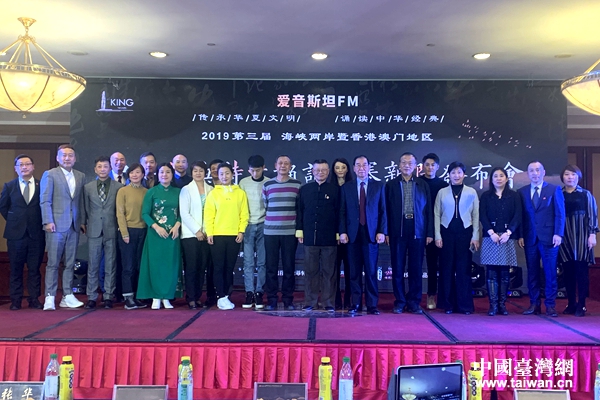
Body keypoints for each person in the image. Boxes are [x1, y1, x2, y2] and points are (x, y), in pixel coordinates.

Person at [385, 152, 433, 314]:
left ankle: (414, 302)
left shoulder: (422, 184)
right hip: (397, 230)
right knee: (397, 267)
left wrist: (429, 233)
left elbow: (428, 211)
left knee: (416, 268)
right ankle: (399, 301)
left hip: (417, 229)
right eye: (404, 162)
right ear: (399, 165)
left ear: (415, 166)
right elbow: (385, 211)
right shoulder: (391, 185)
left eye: (410, 163)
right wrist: (386, 232)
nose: (407, 165)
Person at [339, 155, 387, 315]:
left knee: (371, 271)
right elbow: (342, 212)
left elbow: (383, 211)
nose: (361, 168)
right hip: (352, 234)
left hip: (371, 234)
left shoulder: (378, 186)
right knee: (354, 272)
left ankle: (372, 304)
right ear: (353, 168)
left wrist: (382, 231)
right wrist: (342, 232)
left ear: (369, 167)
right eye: (358, 165)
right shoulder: (346, 187)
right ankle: (356, 303)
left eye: (364, 165)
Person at [40, 144, 86, 310]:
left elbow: (80, 201)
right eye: (64, 155)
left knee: (70, 263)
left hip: (74, 225)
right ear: (58, 158)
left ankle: (67, 295)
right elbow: (45, 200)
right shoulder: (50, 174)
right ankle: (50, 296)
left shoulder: (80, 176)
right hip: (56, 225)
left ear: (75, 158)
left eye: (70, 155)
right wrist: (47, 221)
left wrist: (82, 221)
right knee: (53, 263)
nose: (67, 158)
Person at [517, 161, 565, 317]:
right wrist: (521, 235)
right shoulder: (522, 192)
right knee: (532, 273)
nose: (535, 173)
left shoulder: (554, 189)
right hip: (530, 238)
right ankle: (534, 304)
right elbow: (521, 217)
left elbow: (560, 213)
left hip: (550, 238)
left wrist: (558, 233)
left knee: (550, 273)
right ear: (528, 174)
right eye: (531, 171)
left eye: (538, 170)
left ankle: (550, 305)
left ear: (543, 172)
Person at [0, 154, 45, 310]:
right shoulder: (9, 186)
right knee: (16, 268)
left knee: (34, 269)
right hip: (15, 235)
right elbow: (3, 207)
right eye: (21, 165)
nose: (24, 167)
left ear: (33, 167)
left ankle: (34, 299)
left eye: (27, 164)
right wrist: (15, 221)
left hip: (36, 234)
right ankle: (16, 300)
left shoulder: (41, 185)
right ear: (16, 168)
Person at [434, 161, 479, 315]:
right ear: (449, 175)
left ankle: (464, 305)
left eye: (459, 172)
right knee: (446, 269)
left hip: (465, 234)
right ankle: (447, 304)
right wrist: (437, 235)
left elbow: (476, 215)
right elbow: (436, 214)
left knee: (463, 269)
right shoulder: (442, 192)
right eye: (453, 172)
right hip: (446, 233)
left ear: (464, 174)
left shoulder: (471, 192)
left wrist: (475, 236)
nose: (456, 175)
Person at [204, 163, 249, 310]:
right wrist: (209, 232)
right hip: (217, 235)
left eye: (227, 173)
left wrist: (241, 231)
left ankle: (227, 295)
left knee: (229, 268)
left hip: (234, 236)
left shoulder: (240, 193)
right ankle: (220, 296)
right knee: (218, 267)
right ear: (217, 175)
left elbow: (244, 214)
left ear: (232, 174)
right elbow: (209, 215)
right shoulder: (213, 193)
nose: (224, 176)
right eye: (221, 174)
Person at [137, 163, 182, 309]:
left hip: (172, 235)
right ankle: (156, 297)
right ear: (158, 174)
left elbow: (183, 212)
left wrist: (177, 225)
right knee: (155, 265)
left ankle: (167, 296)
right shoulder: (151, 192)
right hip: (155, 235)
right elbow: (145, 213)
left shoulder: (179, 192)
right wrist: (156, 227)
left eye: (168, 172)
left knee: (170, 265)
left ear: (172, 174)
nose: (165, 175)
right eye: (162, 172)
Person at [80, 156, 123, 309]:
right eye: (100, 166)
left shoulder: (119, 187)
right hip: (94, 229)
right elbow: (84, 208)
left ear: (110, 168)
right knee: (93, 264)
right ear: (95, 169)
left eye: (105, 166)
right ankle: (91, 297)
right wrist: (83, 223)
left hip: (112, 229)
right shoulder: (88, 187)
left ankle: (108, 296)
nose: (103, 169)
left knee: (110, 264)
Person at [297, 160, 339, 312]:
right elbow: (299, 211)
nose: (320, 173)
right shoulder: (305, 189)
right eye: (317, 170)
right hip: (310, 237)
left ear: (328, 172)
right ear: (312, 171)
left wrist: (338, 233)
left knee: (329, 272)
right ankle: (310, 302)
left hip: (330, 238)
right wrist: (299, 231)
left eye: (323, 170)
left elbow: (339, 212)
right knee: (311, 272)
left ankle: (328, 303)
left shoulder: (335, 190)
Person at [479, 167, 522, 316]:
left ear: (507, 178)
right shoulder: (486, 196)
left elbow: (518, 215)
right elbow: (482, 215)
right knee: (491, 272)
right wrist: (491, 232)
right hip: (490, 237)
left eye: (501, 176)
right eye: (495, 176)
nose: (498, 178)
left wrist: (509, 232)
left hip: (506, 237)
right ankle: (493, 305)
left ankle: (502, 305)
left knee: (504, 273)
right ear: (491, 179)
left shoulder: (514, 196)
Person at [263, 155, 302, 311]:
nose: (283, 166)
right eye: (280, 163)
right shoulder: (267, 185)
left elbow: (299, 208)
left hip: (289, 232)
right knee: (271, 267)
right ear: (275, 165)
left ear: (290, 166)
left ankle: (288, 299)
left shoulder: (297, 185)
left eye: (286, 163)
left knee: (289, 267)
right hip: (270, 232)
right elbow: (265, 205)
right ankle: (271, 299)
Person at [558, 165, 598, 317]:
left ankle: (581, 304)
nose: (570, 177)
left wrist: (592, 234)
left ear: (578, 177)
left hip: (581, 235)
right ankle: (571, 303)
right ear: (562, 177)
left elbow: (592, 215)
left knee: (581, 271)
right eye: (567, 174)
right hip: (564, 235)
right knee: (567, 271)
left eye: (573, 174)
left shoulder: (585, 194)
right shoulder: (559, 194)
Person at [180, 161, 214, 309]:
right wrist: (197, 230)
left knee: (202, 267)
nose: (198, 173)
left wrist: (206, 231)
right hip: (190, 235)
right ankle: (191, 298)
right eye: (195, 171)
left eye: (201, 170)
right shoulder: (186, 190)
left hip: (206, 234)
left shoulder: (211, 189)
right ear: (191, 173)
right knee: (192, 267)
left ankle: (198, 296)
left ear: (205, 173)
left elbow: (212, 212)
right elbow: (184, 213)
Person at [115, 163, 148, 309]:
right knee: (128, 266)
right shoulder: (123, 191)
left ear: (143, 175)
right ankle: (127, 297)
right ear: (128, 175)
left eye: (138, 172)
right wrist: (124, 232)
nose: (135, 175)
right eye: (132, 172)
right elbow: (120, 213)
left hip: (143, 231)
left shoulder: (147, 192)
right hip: (128, 231)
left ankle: (137, 296)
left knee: (139, 266)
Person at [239, 155, 269, 309]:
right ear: (248, 169)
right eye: (252, 171)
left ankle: (259, 292)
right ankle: (249, 292)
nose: (255, 174)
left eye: (258, 170)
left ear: (263, 168)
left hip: (264, 224)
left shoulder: (269, 182)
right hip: (248, 225)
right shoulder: (243, 183)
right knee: (248, 262)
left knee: (263, 262)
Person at [421, 153, 448, 310]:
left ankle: (432, 295)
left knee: (434, 265)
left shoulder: (444, 185)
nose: (430, 167)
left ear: (438, 167)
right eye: (427, 164)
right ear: (422, 166)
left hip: (438, 229)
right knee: (415, 264)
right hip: (419, 229)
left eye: (433, 165)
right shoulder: (417, 182)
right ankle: (413, 296)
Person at [329, 157, 353, 310]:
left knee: (351, 269)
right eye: (337, 167)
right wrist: (337, 232)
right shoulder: (330, 187)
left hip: (350, 234)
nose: (340, 170)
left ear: (348, 169)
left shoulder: (352, 186)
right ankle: (336, 299)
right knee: (334, 270)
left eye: (343, 167)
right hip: (333, 235)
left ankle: (349, 299)